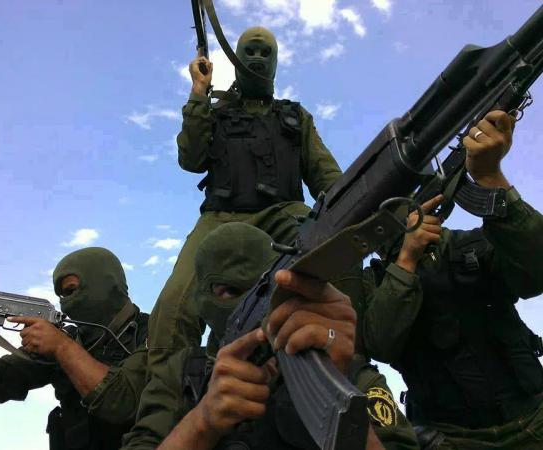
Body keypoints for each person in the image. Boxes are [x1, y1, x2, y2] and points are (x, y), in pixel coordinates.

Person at [147, 26, 343, 372]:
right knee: (173, 307)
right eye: (249, 51)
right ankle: (165, 397)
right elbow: (190, 159)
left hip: (283, 214)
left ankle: (346, 370)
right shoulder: (215, 112)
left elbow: (326, 177)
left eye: (265, 53)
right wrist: (198, 93)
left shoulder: (295, 117)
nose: (256, 59)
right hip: (220, 218)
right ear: (236, 59)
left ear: (276, 62)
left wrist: (351, 207)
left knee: (330, 265)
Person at [122, 223, 418, 450]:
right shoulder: (179, 375)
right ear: (201, 302)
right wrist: (202, 422)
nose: (245, 303)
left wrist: (337, 394)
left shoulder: (340, 367)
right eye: (228, 291)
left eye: (260, 290)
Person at [363, 111, 543, 449]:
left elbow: (536, 273)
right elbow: (380, 344)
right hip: (450, 440)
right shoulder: (371, 283)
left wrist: (491, 179)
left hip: (533, 422)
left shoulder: (472, 245)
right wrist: (407, 259)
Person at [0, 247, 149, 450]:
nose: (65, 302)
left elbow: (126, 403)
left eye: (71, 291)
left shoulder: (155, 333)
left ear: (104, 284)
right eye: (61, 295)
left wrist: (62, 347)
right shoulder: (68, 338)